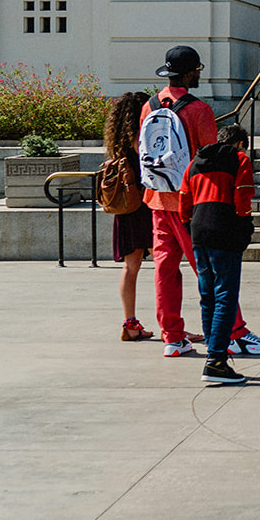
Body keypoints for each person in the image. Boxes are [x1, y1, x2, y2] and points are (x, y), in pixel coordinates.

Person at [141, 45, 260, 360]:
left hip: (157, 198)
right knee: (213, 271)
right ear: (189, 73)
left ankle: (172, 337)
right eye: (198, 70)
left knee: (165, 269)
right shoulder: (198, 110)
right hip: (191, 204)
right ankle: (235, 332)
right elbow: (211, 162)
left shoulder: (148, 106)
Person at [180, 125, 256, 385]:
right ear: (240, 144)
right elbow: (243, 196)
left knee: (207, 296)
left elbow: (184, 201)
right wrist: (244, 224)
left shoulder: (194, 163)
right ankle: (217, 361)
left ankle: (213, 355)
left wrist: (189, 225)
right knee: (226, 295)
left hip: (199, 230)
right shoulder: (240, 159)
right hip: (225, 228)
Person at [104, 91, 154, 341]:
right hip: (146, 205)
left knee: (130, 266)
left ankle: (130, 322)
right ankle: (171, 324)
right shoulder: (141, 137)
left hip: (126, 207)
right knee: (165, 265)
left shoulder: (116, 142)